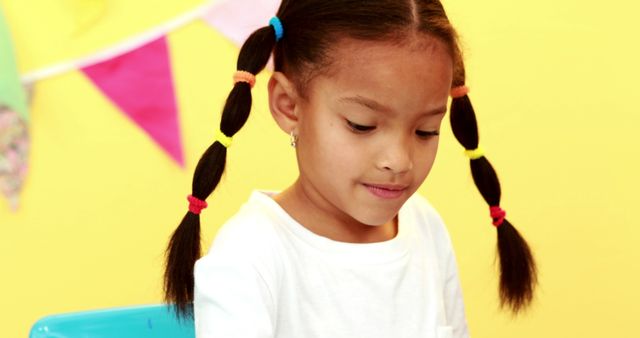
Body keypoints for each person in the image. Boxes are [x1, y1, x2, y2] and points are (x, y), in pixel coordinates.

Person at [164, 1, 537, 337]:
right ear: (288, 105)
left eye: (426, 131)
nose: (399, 160)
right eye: (362, 125)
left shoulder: (424, 226)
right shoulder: (250, 259)